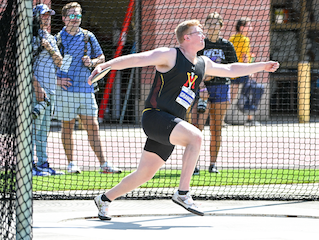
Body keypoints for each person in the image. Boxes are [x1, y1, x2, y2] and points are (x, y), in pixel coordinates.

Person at [89, 19, 279, 220]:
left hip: (171, 122)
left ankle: (104, 199)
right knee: (195, 137)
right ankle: (183, 193)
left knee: (144, 174)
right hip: (155, 117)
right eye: (199, 32)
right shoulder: (170, 55)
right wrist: (107, 65)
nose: (203, 35)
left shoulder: (202, 63)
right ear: (186, 38)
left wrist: (262, 66)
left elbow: (231, 70)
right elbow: (138, 59)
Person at [55, 2, 122, 174]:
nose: (75, 18)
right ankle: (71, 164)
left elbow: (101, 57)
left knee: (92, 126)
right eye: (72, 15)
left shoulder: (88, 36)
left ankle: (104, 164)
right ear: (64, 18)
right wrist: (57, 81)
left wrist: (92, 62)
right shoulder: (58, 39)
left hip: (86, 89)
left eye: (78, 15)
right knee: (67, 127)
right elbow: (49, 65)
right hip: (66, 92)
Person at [191, 12, 238, 175]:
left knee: (216, 128)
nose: (212, 26)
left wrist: (215, 74)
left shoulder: (227, 45)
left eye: (215, 24)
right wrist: (202, 82)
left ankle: (212, 164)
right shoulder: (200, 45)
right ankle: (194, 165)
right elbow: (192, 67)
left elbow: (233, 69)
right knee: (196, 128)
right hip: (201, 89)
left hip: (221, 88)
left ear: (221, 26)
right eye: (209, 24)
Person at [32, 4, 64, 176]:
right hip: (37, 91)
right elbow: (24, 67)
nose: (47, 18)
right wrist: (38, 88)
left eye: (48, 15)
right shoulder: (30, 38)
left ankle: (43, 164)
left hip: (51, 90)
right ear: (36, 17)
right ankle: (28, 166)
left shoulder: (50, 38)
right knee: (32, 129)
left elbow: (61, 63)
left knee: (44, 131)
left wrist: (50, 48)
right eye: (44, 15)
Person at [229, 17, 265, 126]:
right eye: (248, 25)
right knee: (251, 91)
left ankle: (221, 118)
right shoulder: (245, 39)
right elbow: (244, 56)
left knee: (231, 95)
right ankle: (250, 119)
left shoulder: (232, 38)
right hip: (243, 70)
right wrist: (249, 70)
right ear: (242, 27)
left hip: (233, 70)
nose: (251, 28)